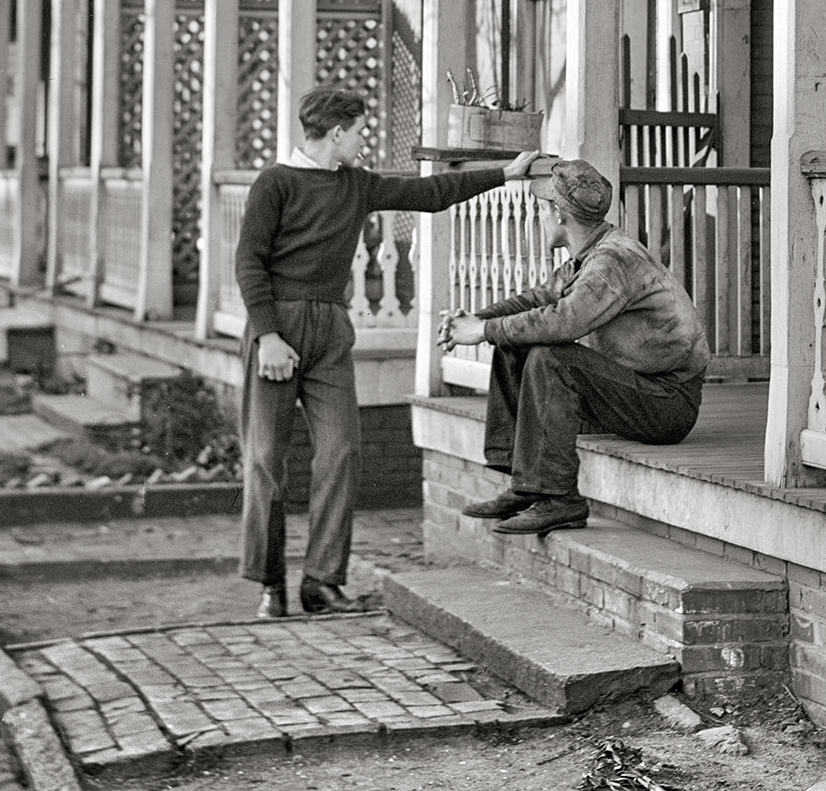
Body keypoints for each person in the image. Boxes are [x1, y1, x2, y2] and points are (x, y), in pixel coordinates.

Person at [234, 83, 543, 619]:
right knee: (265, 460)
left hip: (330, 327)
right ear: (335, 132)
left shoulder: (356, 184)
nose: (362, 141)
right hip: (276, 329)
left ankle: (321, 582)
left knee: (342, 451)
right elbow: (248, 263)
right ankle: (270, 583)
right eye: (358, 131)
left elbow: (429, 195)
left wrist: (505, 174)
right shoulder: (274, 183)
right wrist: (267, 336)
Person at [438, 157, 708, 539]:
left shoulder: (613, 261)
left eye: (543, 209)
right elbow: (536, 301)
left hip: (667, 404)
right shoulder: (591, 255)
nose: (540, 217)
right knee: (514, 342)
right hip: (640, 391)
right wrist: (475, 321)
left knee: (550, 357)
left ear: (558, 214)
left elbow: (564, 321)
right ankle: (524, 484)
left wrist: (483, 329)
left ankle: (560, 500)